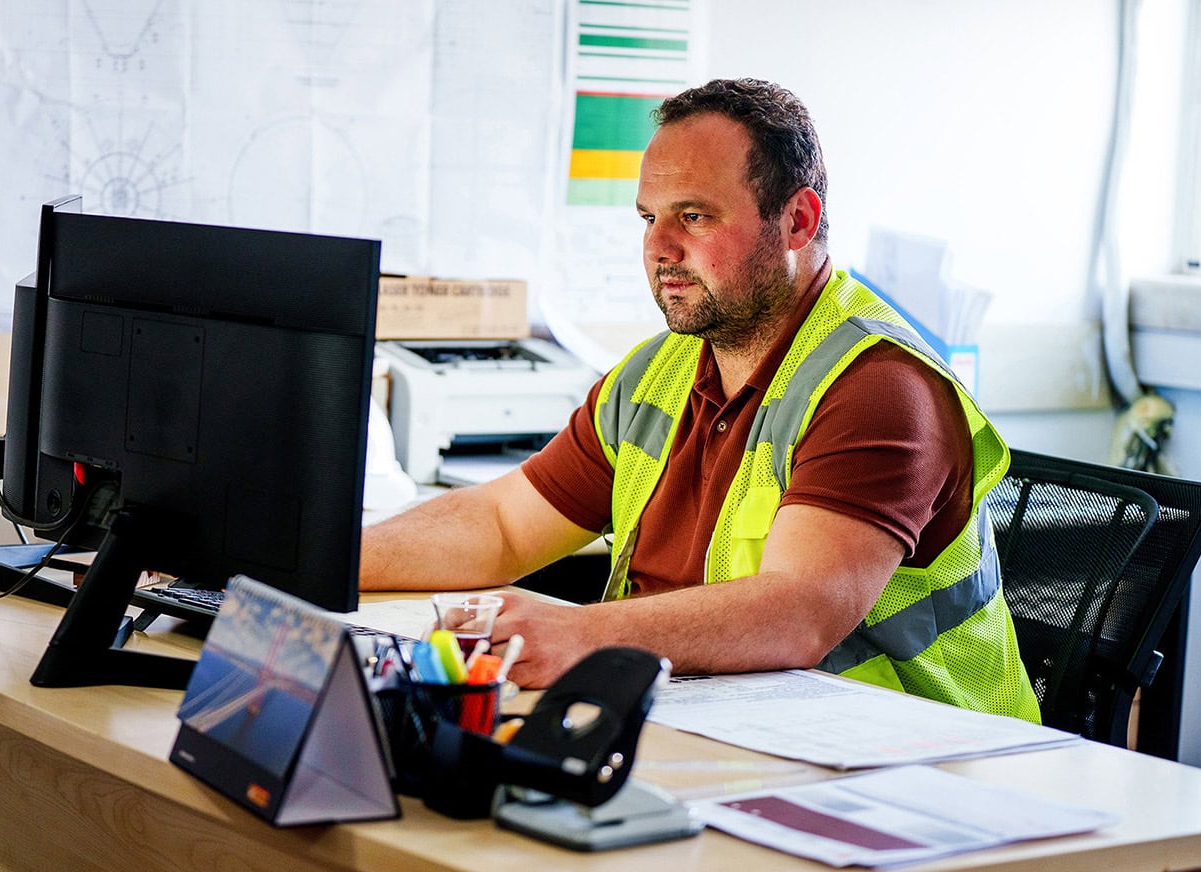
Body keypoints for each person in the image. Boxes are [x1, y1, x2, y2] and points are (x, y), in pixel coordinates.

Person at [361, 78, 1038, 722]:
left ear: (798, 220)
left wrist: (580, 633)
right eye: (649, 217)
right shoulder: (659, 371)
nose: (659, 247)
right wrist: (326, 557)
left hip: (925, 766)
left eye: (695, 216)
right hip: (723, 723)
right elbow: (502, 527)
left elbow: (798, 613)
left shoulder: (877, 386)